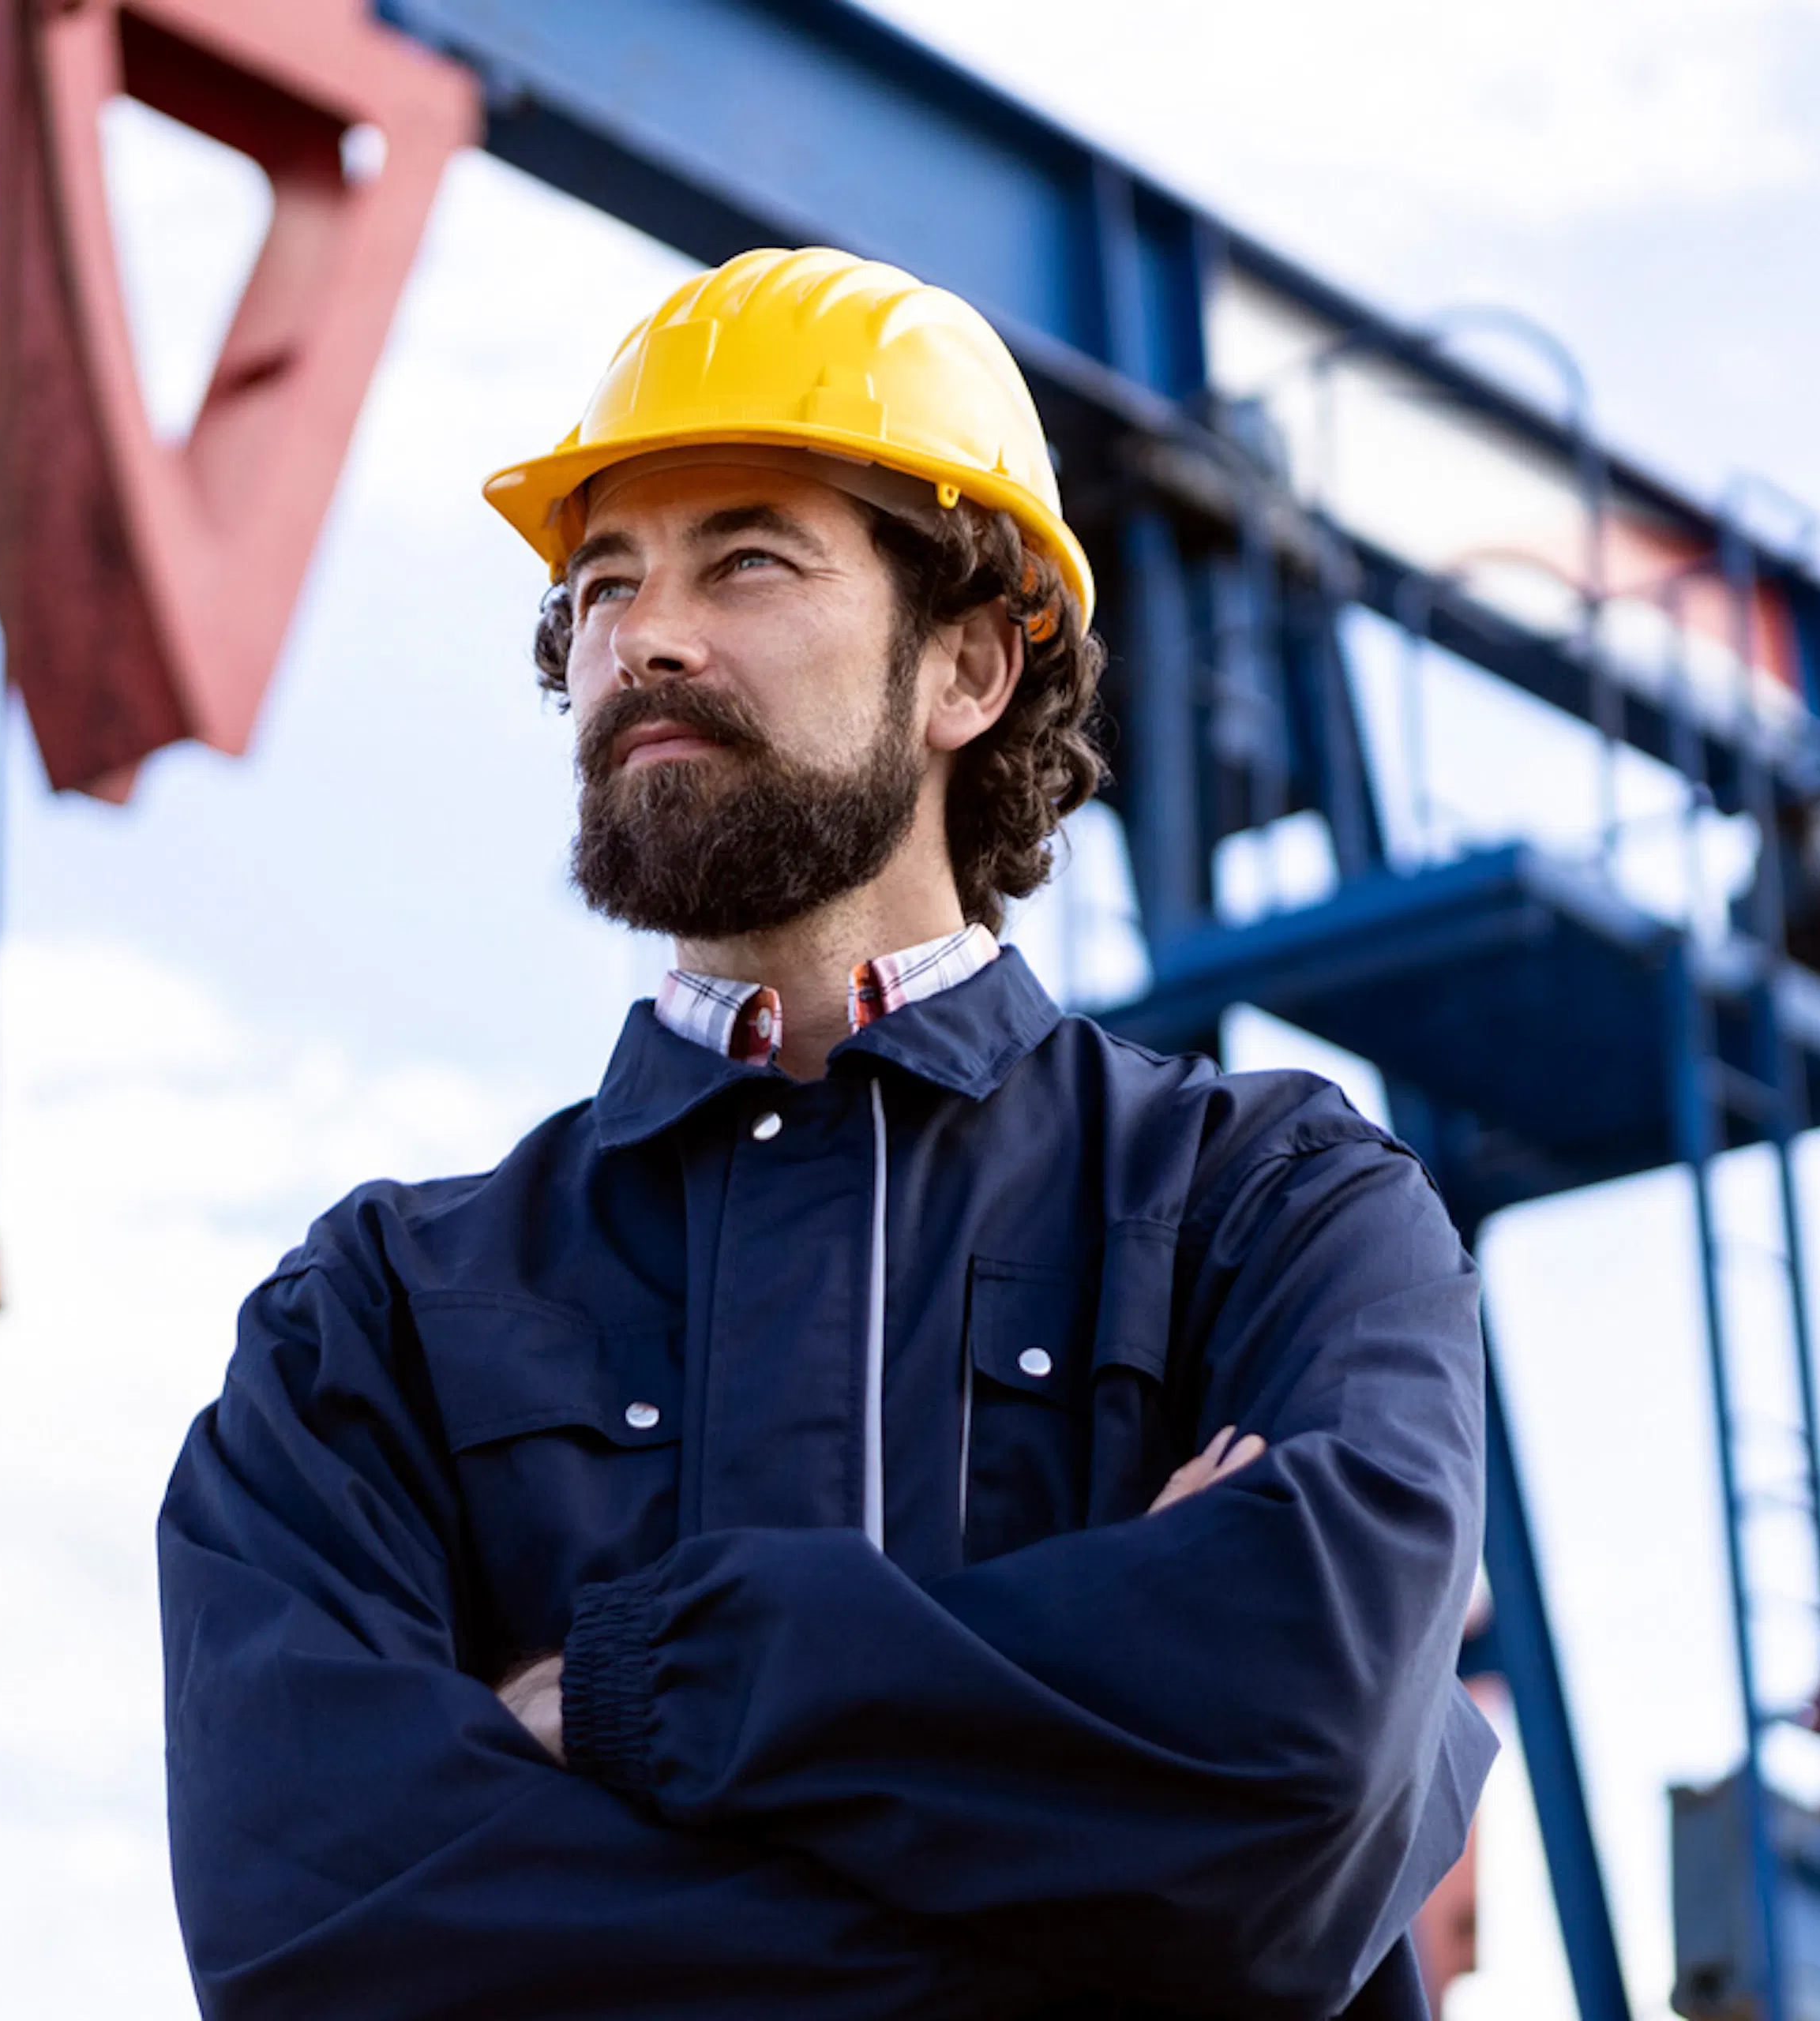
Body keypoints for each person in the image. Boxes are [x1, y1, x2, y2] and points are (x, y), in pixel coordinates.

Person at [157, 246, 1495, 2019]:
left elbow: (1307, 1768)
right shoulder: (381, 1321)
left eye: (749, 559)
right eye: (606, 579)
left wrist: (638, 1687)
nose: (647, 636)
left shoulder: (1274, 1212)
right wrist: (1119, 1892)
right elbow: (318, 1939)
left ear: (968, 664)